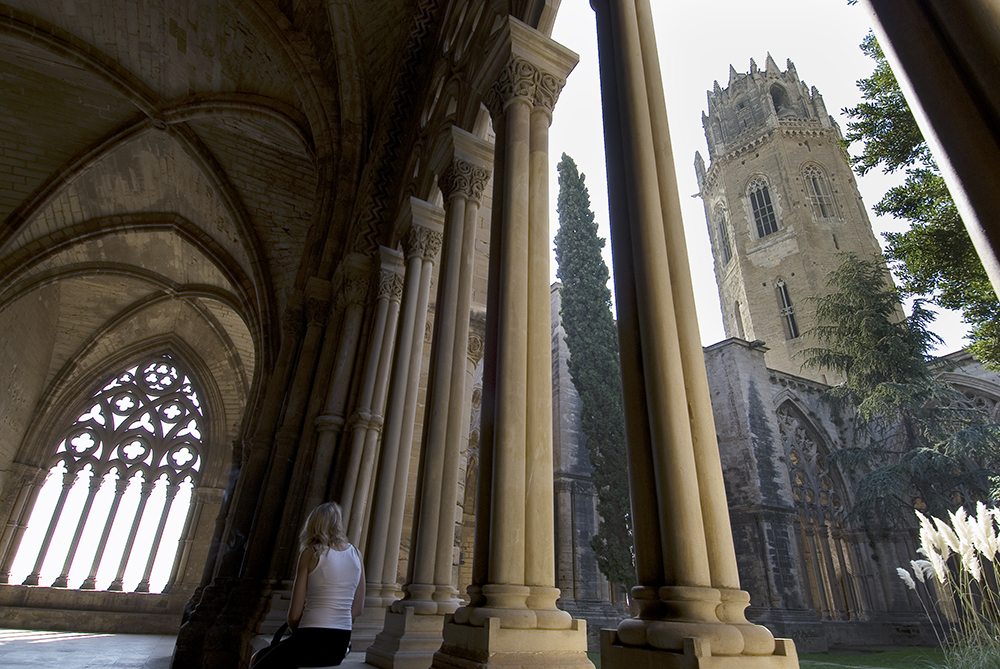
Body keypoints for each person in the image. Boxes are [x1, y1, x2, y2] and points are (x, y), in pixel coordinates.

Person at [252, 502, 364, 668]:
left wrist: (297, 628)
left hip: (310, 638)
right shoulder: (356, 554)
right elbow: (358, 609)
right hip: (340, 644)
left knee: (257, 659)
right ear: (339, 525)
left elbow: (294, 615)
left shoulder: (310, 553)